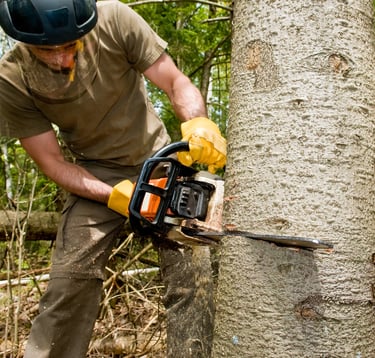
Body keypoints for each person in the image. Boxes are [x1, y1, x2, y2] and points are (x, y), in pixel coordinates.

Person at [0, 0, 226, 357]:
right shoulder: (11, 79)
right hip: (92, 174)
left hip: (160, 161)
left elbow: (175, 81)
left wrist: (198, 122)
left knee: (192, 278)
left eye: (69, 45)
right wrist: (112, 196)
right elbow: (52, 162)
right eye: (47, 50)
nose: (63, 60)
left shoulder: (115, 20)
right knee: (70, 278)